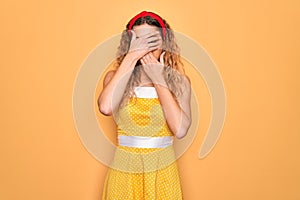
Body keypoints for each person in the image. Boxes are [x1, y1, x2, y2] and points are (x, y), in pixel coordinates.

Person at [98, 10, 192, 200]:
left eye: (152, 41)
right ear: (129, 43)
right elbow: (105, 107)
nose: (146, 48)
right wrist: (131, 57)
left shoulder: (180, 82)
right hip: (125, 168)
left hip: (162, 170)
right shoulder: (114, 78)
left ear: (164, 43)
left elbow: (180, 129)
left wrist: (158, 78)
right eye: (139, 40)